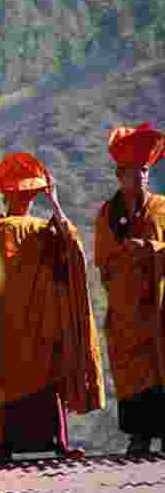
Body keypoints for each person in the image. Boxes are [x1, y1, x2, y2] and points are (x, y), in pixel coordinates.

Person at [0, 153, 105, 464]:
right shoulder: (16, 229)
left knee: (31, 380)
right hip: (17, 324)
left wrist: (55, 203)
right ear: (9, 196)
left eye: (26, 195)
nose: (22, 199)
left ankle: (37, 444)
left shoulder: (22, 228)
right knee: (16, 380)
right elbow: (70, 240)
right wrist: (55, 203)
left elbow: (70, 244)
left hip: (33, 323)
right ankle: (23, 446)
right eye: (19, 194)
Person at [94, 123, 165, 456]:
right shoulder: (108, 214)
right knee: (131, 373)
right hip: (125, 310)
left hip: (160, 307)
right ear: (120, 175)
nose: (141, 178)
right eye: (134, 172)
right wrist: (125, 259)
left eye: (146, 171)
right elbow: (102, 261)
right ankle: (139, 436)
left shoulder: (162, 208)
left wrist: (150, 249)